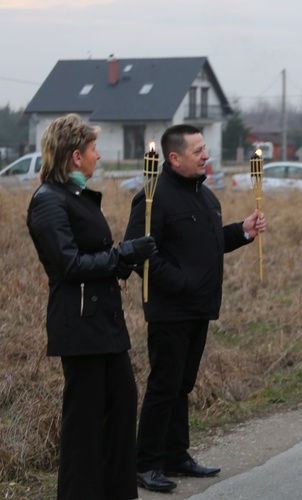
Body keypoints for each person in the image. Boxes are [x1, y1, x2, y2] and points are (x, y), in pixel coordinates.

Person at [123, 124, 266, 492]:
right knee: (164, 384)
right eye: (198, 151)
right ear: (174, 158)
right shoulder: (154, 197)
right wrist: (181, 283)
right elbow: (139, 252)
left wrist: (243, 231)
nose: (206, 156)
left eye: (205, 149)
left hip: (200, 308)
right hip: (170, 309)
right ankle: (146, 462)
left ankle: (176, 455)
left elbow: (208, 244)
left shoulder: (205, 197)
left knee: (182, 384)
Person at [27, 114, 156, 500]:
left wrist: (128, 258)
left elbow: (97, 255)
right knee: (83, 422)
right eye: (95, 150)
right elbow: (69, 266)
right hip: (80, 326)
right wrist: (120, 256)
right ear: (75, 155)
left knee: (120, 406)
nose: (100, 157)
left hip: (103, 323)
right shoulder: (48, 201)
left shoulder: (76, 196)